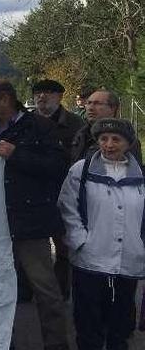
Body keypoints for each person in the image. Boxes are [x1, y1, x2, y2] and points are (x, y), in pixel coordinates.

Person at [0, 78, 70, 350]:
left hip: (29, 222)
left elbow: (58, 166)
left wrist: (17, 155)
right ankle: (1, 343)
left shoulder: (40, 127)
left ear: (5, 100)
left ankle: (57, 345)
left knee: (45, 290)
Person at [58, 118, 144, 350]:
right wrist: (80, 241)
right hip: (90, 262)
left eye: (116, 139)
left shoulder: (141, 176)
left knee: (121, 327)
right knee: (88, 325)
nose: (109, 144)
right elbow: (68, 207)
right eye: (103, 139)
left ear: (128, 143)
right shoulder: (81, 170)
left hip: (128, 263)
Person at [32, 79, 85, 300]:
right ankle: (27, 291)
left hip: (62, 194)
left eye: (48, 93)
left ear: (60, 97)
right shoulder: (25, 123)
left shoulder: (75, 125)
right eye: (37, 93)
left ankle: (62, 291)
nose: (41, 97)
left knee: (63, 247)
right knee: (30, 248)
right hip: (32, 195)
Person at [71, 89, 142, 163]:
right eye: (89, 103)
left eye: (97, 103)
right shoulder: (81, 133)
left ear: (113, 108)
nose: (90, 108)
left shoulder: (125, 139)